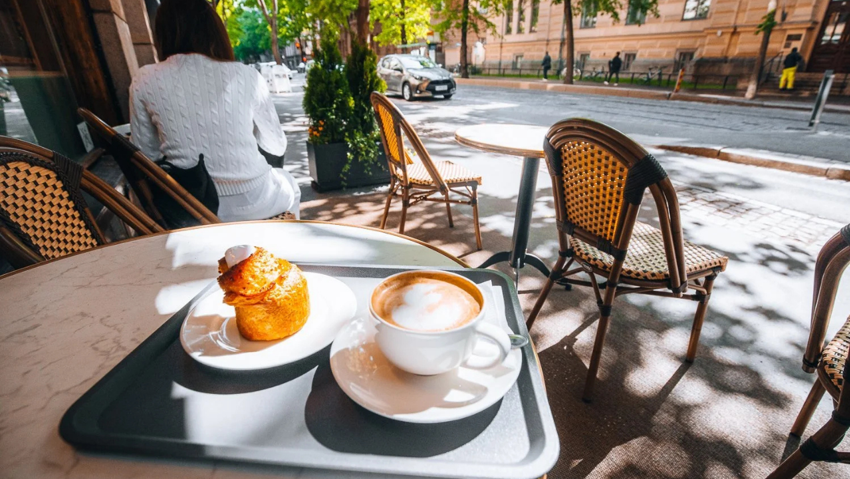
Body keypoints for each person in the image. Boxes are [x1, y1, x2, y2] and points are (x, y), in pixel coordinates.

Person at [130, 0, 300, 222]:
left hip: (192, 208)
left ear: (162, 33)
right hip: (255, 198)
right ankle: (279, 253)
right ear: (214, 31)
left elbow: (145, 155)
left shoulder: (145, 79)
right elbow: (276, 145)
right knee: (291, 185)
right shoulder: (247, 75)